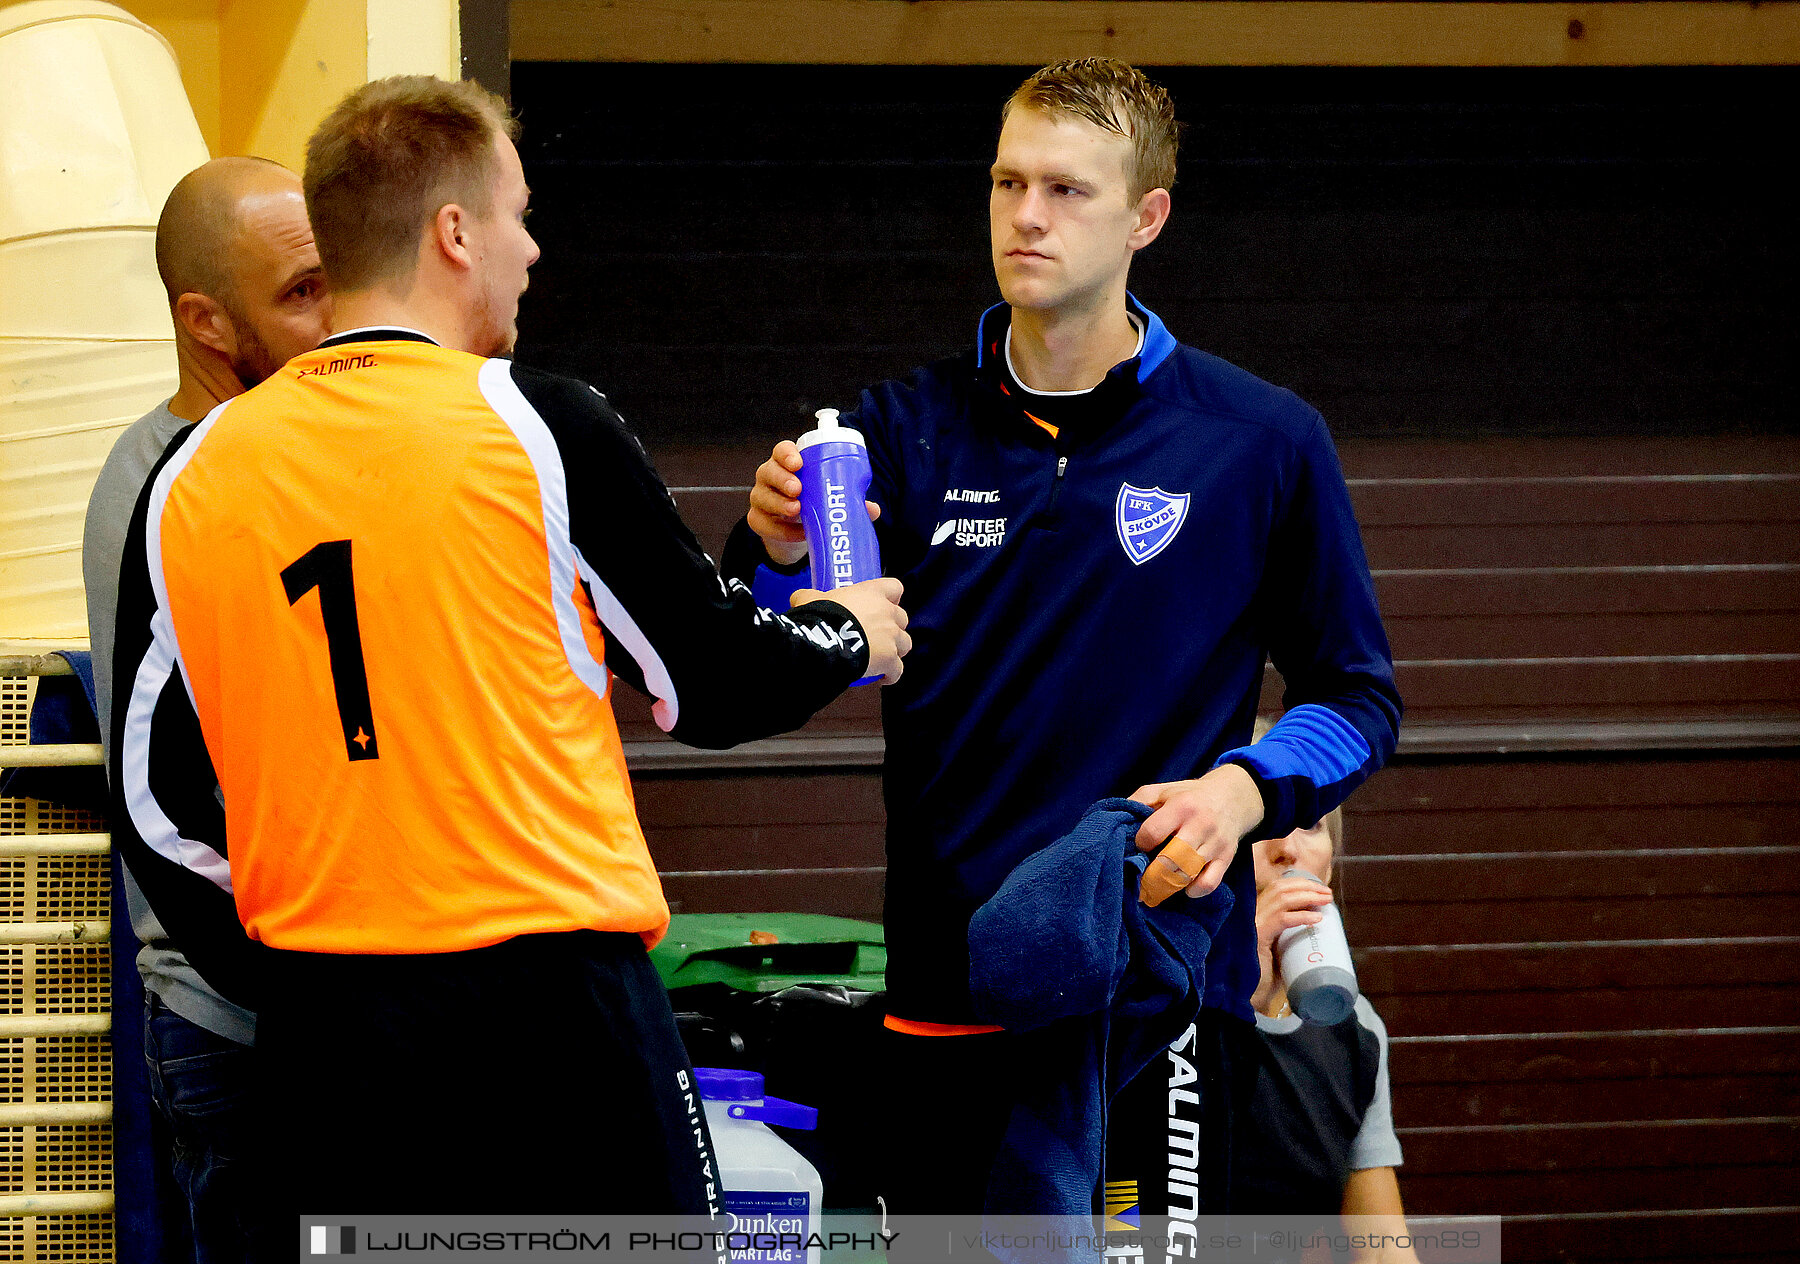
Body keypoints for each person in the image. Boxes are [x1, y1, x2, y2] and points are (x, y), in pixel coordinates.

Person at [104, 75, 911, 1240]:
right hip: (556, 1018)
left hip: (331, 1029)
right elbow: (713, 682)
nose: (531, 250)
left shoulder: (190, 474)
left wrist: (286, 971)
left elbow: (153, 799)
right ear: (454, 232)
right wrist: (846, 626)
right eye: (521, 215)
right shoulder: (538, 420)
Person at [731, 58, 1401, 1210]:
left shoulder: (1262, 440)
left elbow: (1360, 698)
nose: (1026, 216)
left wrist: (1244, 792)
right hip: (946, 1001)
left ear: (1147, 217)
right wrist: (774, 557)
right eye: (1006, 182)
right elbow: (751, 676)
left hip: (1150, 1015)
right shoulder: (898, 429)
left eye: (1067, 190)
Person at [83, 154, 332, 1264]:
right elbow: (178, 789)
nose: (338, 319)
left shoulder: (308, 449)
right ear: (205, 320)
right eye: (301, 293)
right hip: (241, 1020)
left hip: (349, 1009)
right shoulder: (160, 487)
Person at [1238, 810, 1422, 1264]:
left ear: (1331, 865)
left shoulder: (1354, 1028)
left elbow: (1382, 1250)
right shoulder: (1152, 1008)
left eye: (1311, 824)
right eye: (1259, 824)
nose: (1288, 847)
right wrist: (1237, 994)